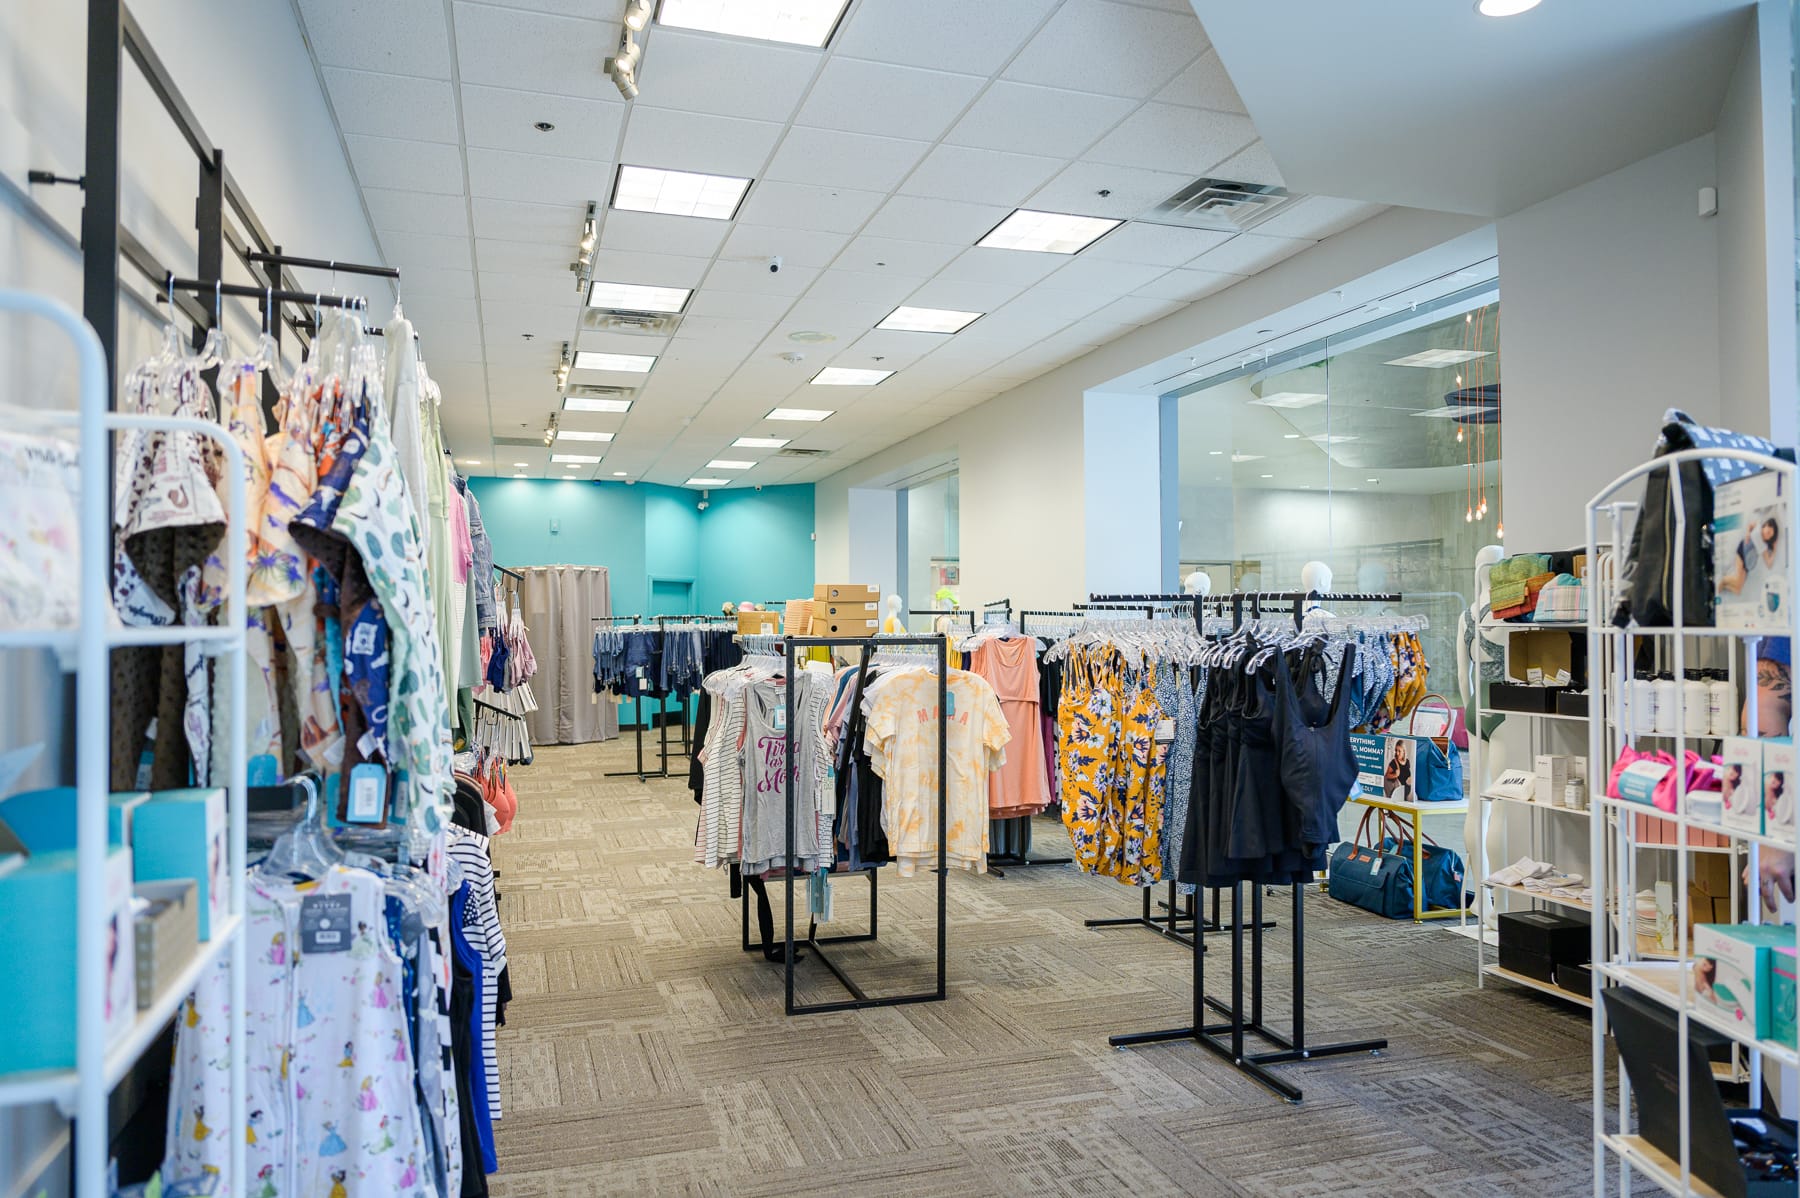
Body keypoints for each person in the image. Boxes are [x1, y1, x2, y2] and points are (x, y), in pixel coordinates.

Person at [1719, 517, 1780, 594]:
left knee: (1738, 590)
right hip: (1742, 551)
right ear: (1766, 525)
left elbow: (1769, 564)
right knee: (1737, 580)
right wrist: (1748, 533)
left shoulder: (1763, 545)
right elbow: (1750, 525)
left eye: (1770, 537)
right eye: (1768, 532)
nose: (1767, 537)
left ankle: (1724, 586)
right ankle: (1723, 581)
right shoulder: (1758, 526)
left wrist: (1774, 549)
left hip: (1748, 562)